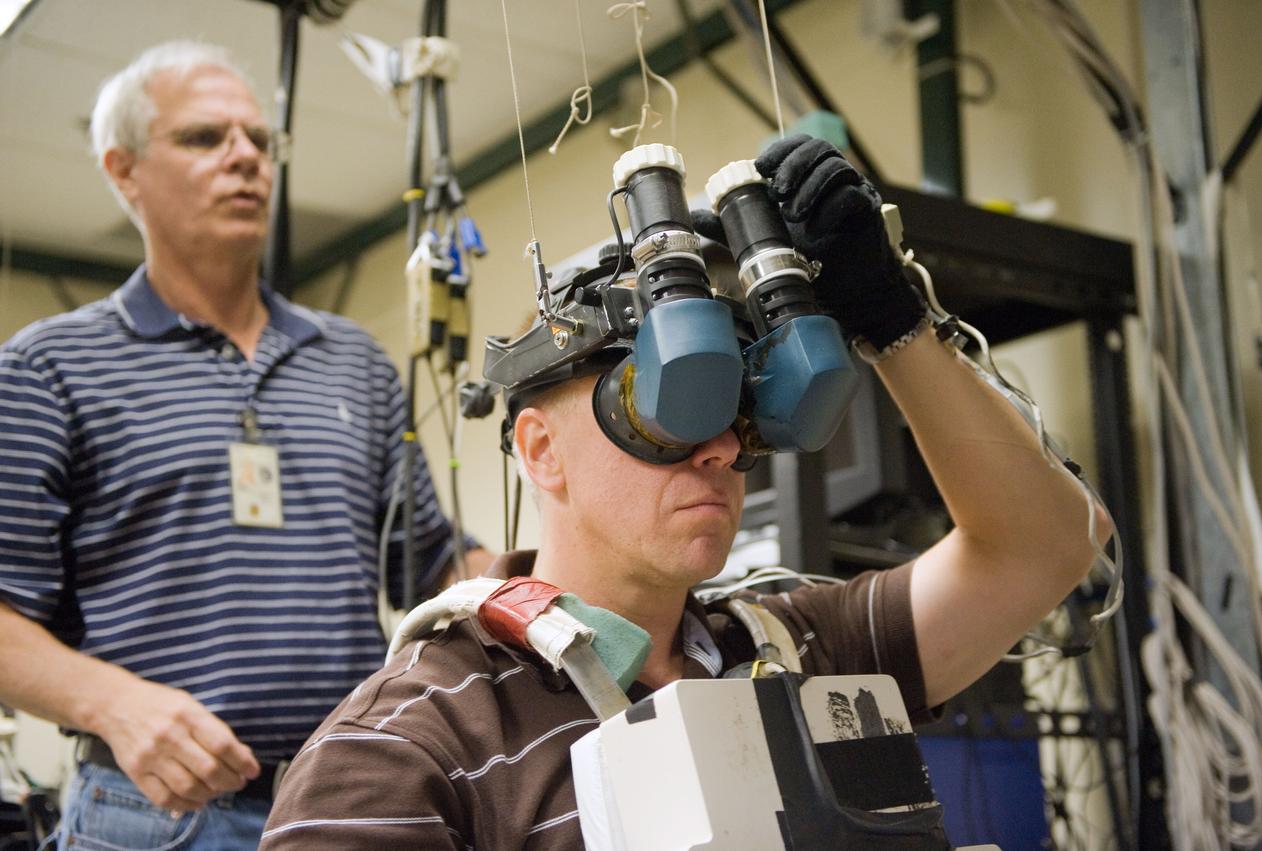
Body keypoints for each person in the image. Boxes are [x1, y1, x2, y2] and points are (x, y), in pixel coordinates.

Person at [260, 137, 1109, 849]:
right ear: (540, 449)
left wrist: (893, 326)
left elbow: (1049, 546)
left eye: (734, 405)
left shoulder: (800, 649)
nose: (713, 447)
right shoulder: (406, 745)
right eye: (665, 403)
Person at [0, 41, 490, 850]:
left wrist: (550, 579)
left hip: (355, 792)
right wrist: (111, 703)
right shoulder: (47, 366)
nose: (246, 160)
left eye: (261, 141)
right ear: (124, 172)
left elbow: (430, 567)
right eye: (205, 138)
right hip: (150, 817)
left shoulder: (354, 361)